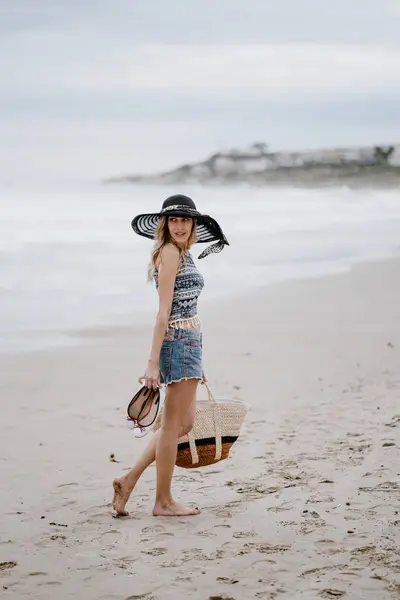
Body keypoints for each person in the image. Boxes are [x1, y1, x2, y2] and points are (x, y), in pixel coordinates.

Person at [112, 194, 228, 517]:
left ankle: (128, 480)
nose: (179, 225)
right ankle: (162, 501)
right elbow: (163, 314)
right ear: (165, 224)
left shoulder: (182, 253)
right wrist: (152, 362)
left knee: (183, 423)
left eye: (185, 220)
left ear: (193, 224)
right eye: (174, 220)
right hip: (177, 342)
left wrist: (198, 358)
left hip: (189, 342)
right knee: (171, 426)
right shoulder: (168, 252)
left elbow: (187, 307)